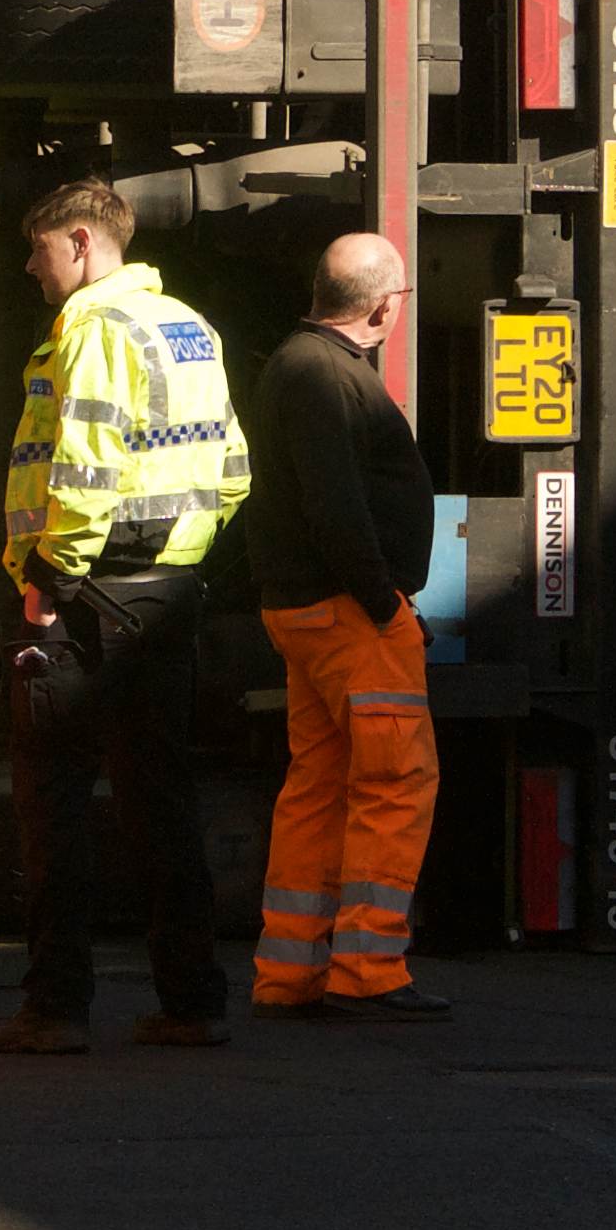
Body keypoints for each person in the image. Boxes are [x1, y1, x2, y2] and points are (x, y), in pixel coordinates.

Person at [0, 178, 248, 1056]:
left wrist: (46, 584)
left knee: (51, 805)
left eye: (42, 248)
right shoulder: (188, 327)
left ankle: (54, 1009)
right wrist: (180, 561)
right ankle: (193, 1001)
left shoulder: (91, 330)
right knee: (161, 800)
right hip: (167, 594)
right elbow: (234, 471)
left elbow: (84, 468)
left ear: (85, 244)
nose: (30, 265)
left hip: (87, 598)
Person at [241, 232, 450, 1023]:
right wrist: (385, 603)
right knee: (394, 786)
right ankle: (369, 968)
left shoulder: (294, 366)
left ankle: (287, 972)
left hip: (306, 612)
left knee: (318, 788)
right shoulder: (327, 375)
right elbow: (337, 503)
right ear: (385, 306)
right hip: (349, 616)